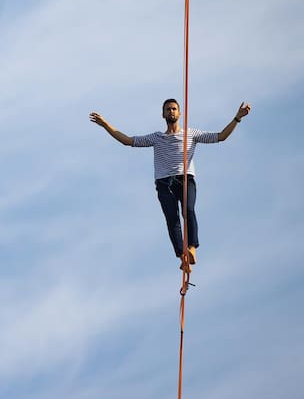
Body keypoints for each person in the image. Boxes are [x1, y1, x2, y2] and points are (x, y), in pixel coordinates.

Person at [89, 99, 251, 272]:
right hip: (164, 182)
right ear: (163, 114)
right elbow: (127, 141)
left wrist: (237, 118)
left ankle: (192, 249)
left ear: (179, 113)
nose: (171, 112)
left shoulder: (191, 134)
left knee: (188, 211)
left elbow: (221, 136)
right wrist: (105, 124)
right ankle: (182, 256)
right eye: (168, 109)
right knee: (172, 219)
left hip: (185, 178)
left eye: (174, 109)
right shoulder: (156, 138)